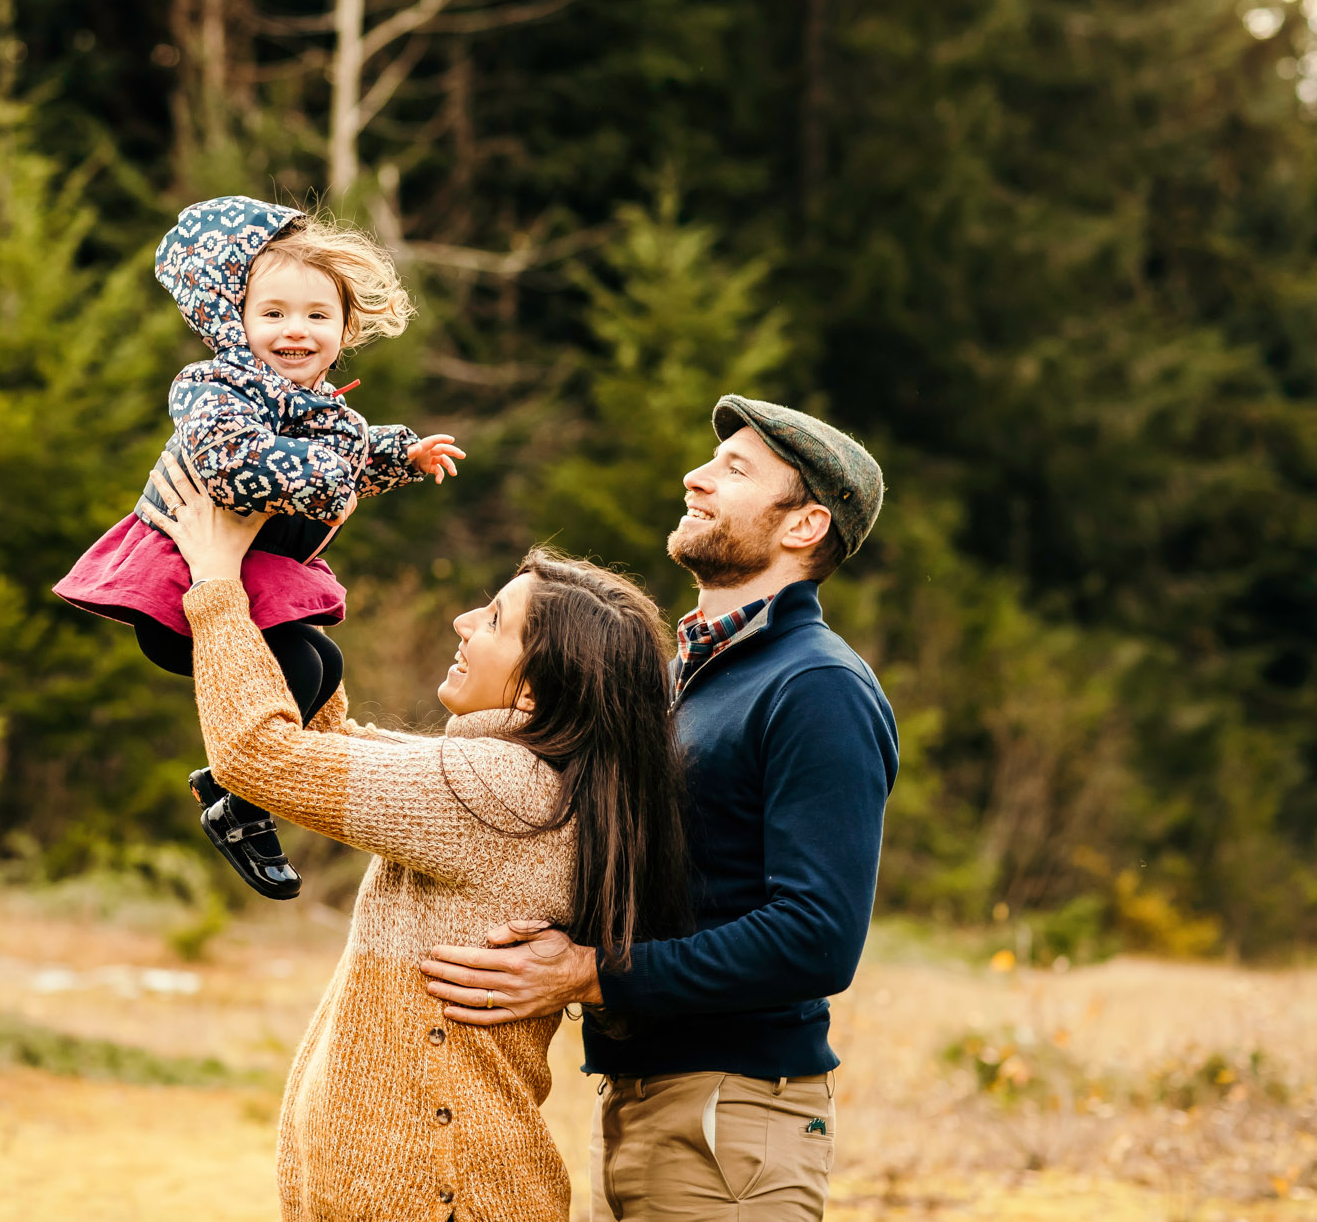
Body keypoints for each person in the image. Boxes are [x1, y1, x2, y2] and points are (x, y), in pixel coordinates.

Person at [139, 450, 690, 1222]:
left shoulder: (504, 792)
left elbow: (259, 758)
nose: (465, 622)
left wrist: (217, 583)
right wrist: (284, 588)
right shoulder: (513, 780)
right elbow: (343, 749)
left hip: (449, 1199)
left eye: (495, 618)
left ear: (536, 685)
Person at [417, 396, 899, 1222]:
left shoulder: (816, 686)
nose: (696, 477)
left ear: (805, 525)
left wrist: (592, 970)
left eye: (735, 470)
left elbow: (818, 936)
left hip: (734, 1114)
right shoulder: (685, 679)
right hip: (644, 1100)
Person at [54, 195, 464, 900]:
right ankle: (239, 802)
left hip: (245, 584)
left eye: (315, 315)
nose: (294, 331)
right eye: (272, 314)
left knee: (323, 666)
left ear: (345, 328)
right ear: (234, 319)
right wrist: (331, 474)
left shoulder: (321, 407)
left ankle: (227, 785)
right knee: (305, 667)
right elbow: (233, 462)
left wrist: (402, 455)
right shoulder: (216, 387)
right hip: (181, 587)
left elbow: (351, 453)